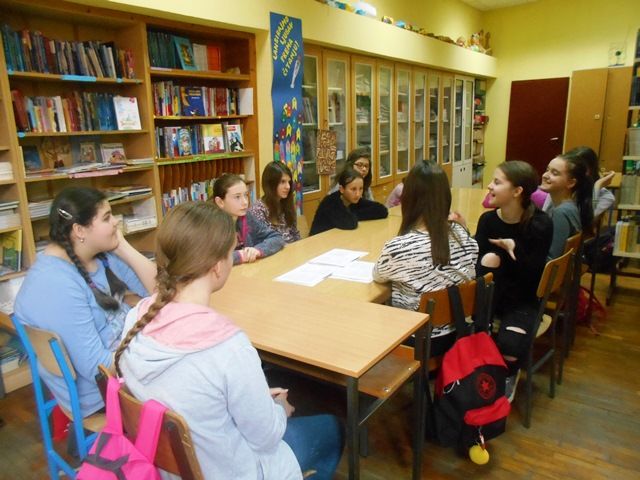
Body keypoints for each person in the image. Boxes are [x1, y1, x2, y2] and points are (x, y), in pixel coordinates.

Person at [116, 202, 343, 480]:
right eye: (231, 252)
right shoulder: (228, 348)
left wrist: (255, 396)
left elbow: (192, 391)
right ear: (217, 267)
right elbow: (266, 437)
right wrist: (278, 410)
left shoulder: (136, 317)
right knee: (332, 429)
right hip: (232, 470)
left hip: (168, 468)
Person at [14, 187, 156, 417]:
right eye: (107, 218)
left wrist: (122, 246)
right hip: (103, 394)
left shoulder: (100, 256)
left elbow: (158, 290)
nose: (116, 222)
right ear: (79, 230)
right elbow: (97, 369)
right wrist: (153, 352)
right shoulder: (56, 284)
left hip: (125, 359)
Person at [373, 161, 478, 356]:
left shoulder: (400, 248)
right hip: (457, 332)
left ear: (408, 199)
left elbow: (377, 275)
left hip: (415, 340)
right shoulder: (464, 236)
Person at [475, 161, 554, 401]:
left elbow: (534, 275)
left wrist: (514, 248)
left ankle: (509, 375)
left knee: (510, 346)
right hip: (490, 298)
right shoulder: (488, 221)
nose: (490, 186)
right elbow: (476, 269)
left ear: (517, 191)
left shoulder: (540, 223)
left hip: (522, 300)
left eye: (497, 182)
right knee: (489, 259)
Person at [213, 173, 285, 264]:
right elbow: (210, 259)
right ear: (220, 202)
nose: (245, 202)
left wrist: (258, 250)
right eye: (237, 197)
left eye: (246, 195)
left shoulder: (247, 217)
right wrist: (241, 255)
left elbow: (277, 237)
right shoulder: (211, 225)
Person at [540, 151, 593, 259]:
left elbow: (552, 259)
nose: (545, 175)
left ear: (571, 183)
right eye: (547, 170)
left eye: (554, 173)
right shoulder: (568, 207)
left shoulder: (562, 212)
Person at [542, 146, 616, 222]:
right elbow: (545, 216)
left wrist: (597, 186)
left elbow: (584, 222)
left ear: (588, 171)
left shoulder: (606, 196)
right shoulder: (561, 186)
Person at [310, 167, 388, 236]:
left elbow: (382, 210)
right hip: (318, 241)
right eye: (353, 189)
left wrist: (352, 214)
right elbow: (350, 223)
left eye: (361, 189)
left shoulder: (354, 199)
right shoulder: (330, 202)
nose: (358, 194)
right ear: (342, 189)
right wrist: (353, 215)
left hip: (338, 237)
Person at [249, 161, 301, 243]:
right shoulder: (258, 210)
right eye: (282, 182)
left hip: (292, 248)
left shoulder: (286, 204)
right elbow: (262, 243)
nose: (288, 187)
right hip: (274, 250)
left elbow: (295, 234)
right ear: (270, 184)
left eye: (289, 182)